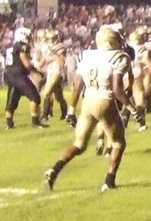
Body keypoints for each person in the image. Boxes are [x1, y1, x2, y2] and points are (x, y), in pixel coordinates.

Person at [44, 25, 131, 192]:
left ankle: (54, 169)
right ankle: (109, 180)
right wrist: (132, 108)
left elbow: (77, 85)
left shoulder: (88, 55)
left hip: (88, 101)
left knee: (78, 145)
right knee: (119, 142)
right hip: (105, 100)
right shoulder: (119, 57)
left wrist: (71, 109)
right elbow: (118, 89)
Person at [4, 27, 48, 129]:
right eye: (28, 36)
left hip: (10, 75)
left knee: (12, 100)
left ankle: (9, 124)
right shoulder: (21, 46)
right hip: (19, 75)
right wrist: (37, 72)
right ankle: (35, 122)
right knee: (35, 97)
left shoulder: (10, 46)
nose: (29, 38)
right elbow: (26, 64)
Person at [39, 29, 68, 122]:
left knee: (46, 92)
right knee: (58, 97)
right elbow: (44, 59)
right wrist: (37, 66)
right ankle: (65, 113)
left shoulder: (60, 46)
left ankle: (44, 114)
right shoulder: (45, 47)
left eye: (51, 39)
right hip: (50, 72)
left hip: (57, 72)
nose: (49, 41)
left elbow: (62, 62)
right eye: (48, 39)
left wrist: (54, 54)